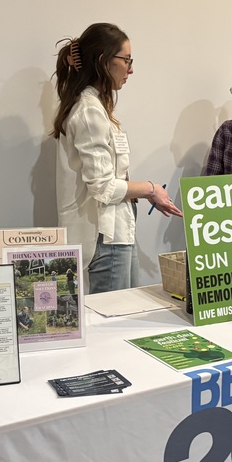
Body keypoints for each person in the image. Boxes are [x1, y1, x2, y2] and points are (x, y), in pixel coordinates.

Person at [53, 23, 182, 293]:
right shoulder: (89, 112)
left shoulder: (97, 108)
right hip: (105, 236)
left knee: (123, 315)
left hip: (117, 232)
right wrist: (151, 189)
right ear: (103, 61)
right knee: (111, 321)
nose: (131, 69)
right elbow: (103, 187)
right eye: (126, 60)